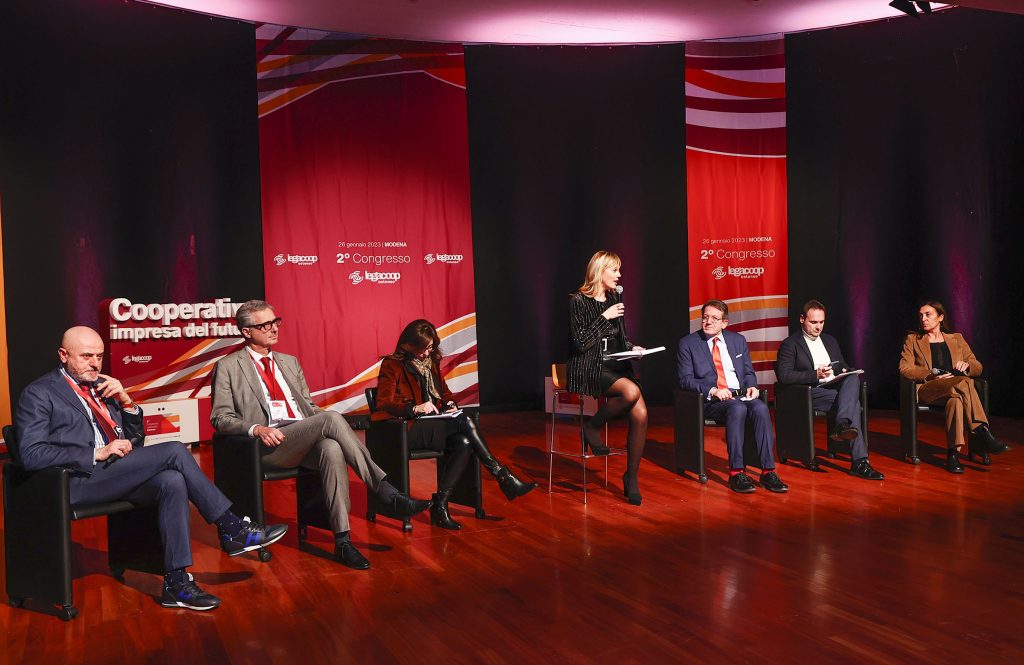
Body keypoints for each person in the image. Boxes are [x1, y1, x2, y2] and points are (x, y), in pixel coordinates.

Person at [15, 326, 287, 611]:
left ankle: (176, 583)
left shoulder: (102, 386)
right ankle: (232, 527)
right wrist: (96, 453)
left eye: (99, 356)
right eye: (86, 356)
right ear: (63, 355)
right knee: (175, 450)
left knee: (171, 480)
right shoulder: (39, 393)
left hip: (112, 471)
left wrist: (126, 402)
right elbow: (31, 455)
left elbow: (136, 440)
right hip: (73, 481)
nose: (95, 363)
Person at [210, 300, 431, 569]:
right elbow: (220, 418)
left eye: (275, 322)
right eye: (265, 325)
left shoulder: (289, 362)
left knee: (332, 448)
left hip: (301, 436)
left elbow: (308, 406)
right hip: (267, 445)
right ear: (246, 331)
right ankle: (386, 491)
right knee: (331, 418)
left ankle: (343, 541)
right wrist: (256, 429)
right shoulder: (229, 366)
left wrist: (325, 419)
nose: (274, 328)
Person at [374, 320, 536, 529]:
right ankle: (503, 476)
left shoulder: (431, 363)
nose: (427, 353)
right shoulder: (392, 364)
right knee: (465, 421)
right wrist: (414, 408)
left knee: (464, 442)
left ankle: (440, 505)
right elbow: (382, 403)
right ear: (408, 345)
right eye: (423, 348)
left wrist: (449, 404)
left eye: (431, 347)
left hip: (431, 425)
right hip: (407, 428)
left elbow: (445, 394)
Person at [677, 300, 788, 494]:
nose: (708, 322)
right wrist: (713, 390)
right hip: (712, 400)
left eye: (714, 318)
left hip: (740, 395)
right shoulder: (688, 344)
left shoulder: (738, 340)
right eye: (705, 317)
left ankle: (768, 471)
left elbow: (748, 372)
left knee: (761, 408)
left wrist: (752, 386)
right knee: (737, 408)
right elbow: (685, 380)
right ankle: (736, 472)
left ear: (724, 323)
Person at [567, 250, 649, 505]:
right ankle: (591, 427)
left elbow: (620, 339)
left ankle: (631, 477)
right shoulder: (578, 301)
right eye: (614, 270)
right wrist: (605, 317)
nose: (619, 275)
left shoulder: (614, 298)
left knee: (641, 414)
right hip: (589, 366)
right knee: (631, 392)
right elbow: (581, 343)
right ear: (599, 271)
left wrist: (632, 349)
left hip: (616, 364)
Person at [775, 300, 884, 480]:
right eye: (813, 322)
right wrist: (815, 374)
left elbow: (841, 365)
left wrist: (844, 370)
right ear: (802, 319)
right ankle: (859, 462)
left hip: (833, 387)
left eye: (821, 322)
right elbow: (784, 376)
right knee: (853, 404)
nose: (818, 327)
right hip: (809, 392)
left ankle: (842, 425)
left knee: (852, 378)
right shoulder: (790, 344)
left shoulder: (829, 340)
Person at [899, 300, 1008, 473]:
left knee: (956, 401)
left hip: (955, 390)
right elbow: (905, 369)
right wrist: (930, 374)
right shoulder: (913, 340)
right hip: (929, 388)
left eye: (928, 314)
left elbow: (977, 366)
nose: (923, 319)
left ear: (940, 317)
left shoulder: (956, 338)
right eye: (921, 315)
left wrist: (967, 365)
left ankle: (953, 455)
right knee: (964, 382)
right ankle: (981, 431)